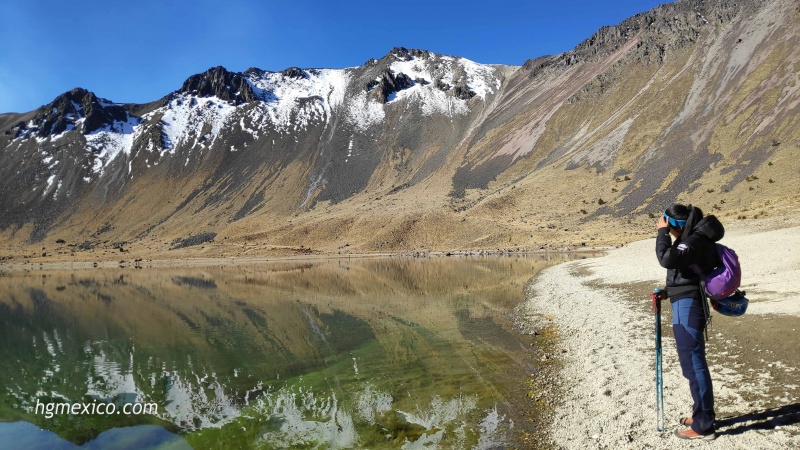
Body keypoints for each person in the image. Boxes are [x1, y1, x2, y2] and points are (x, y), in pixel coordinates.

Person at [655, 203, 724, 440]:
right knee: (690, 364)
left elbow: (666, 259)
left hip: (689, 307)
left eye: (666, 222)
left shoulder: (692, 241)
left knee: (694, 364)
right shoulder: (689, 241)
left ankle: (704, 426)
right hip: (684, 303)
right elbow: (685, 274)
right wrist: (667, 292)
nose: (663, 226)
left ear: (674, 224)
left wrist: (662, 233)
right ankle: (701, 414)